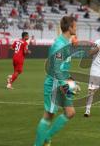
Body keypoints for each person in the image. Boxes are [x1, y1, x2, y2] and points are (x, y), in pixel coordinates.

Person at [34, 16, 77, 146]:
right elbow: (55, 68)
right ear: (69, 28)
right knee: (48, 115)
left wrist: (70, 81)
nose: (76, 28)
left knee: (70, 112)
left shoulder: (66, 43)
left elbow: (62, 67)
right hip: (54, 84)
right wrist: (65, 85)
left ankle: (46, 137)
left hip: (63, 83)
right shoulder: (59, 44)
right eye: (75, 26)